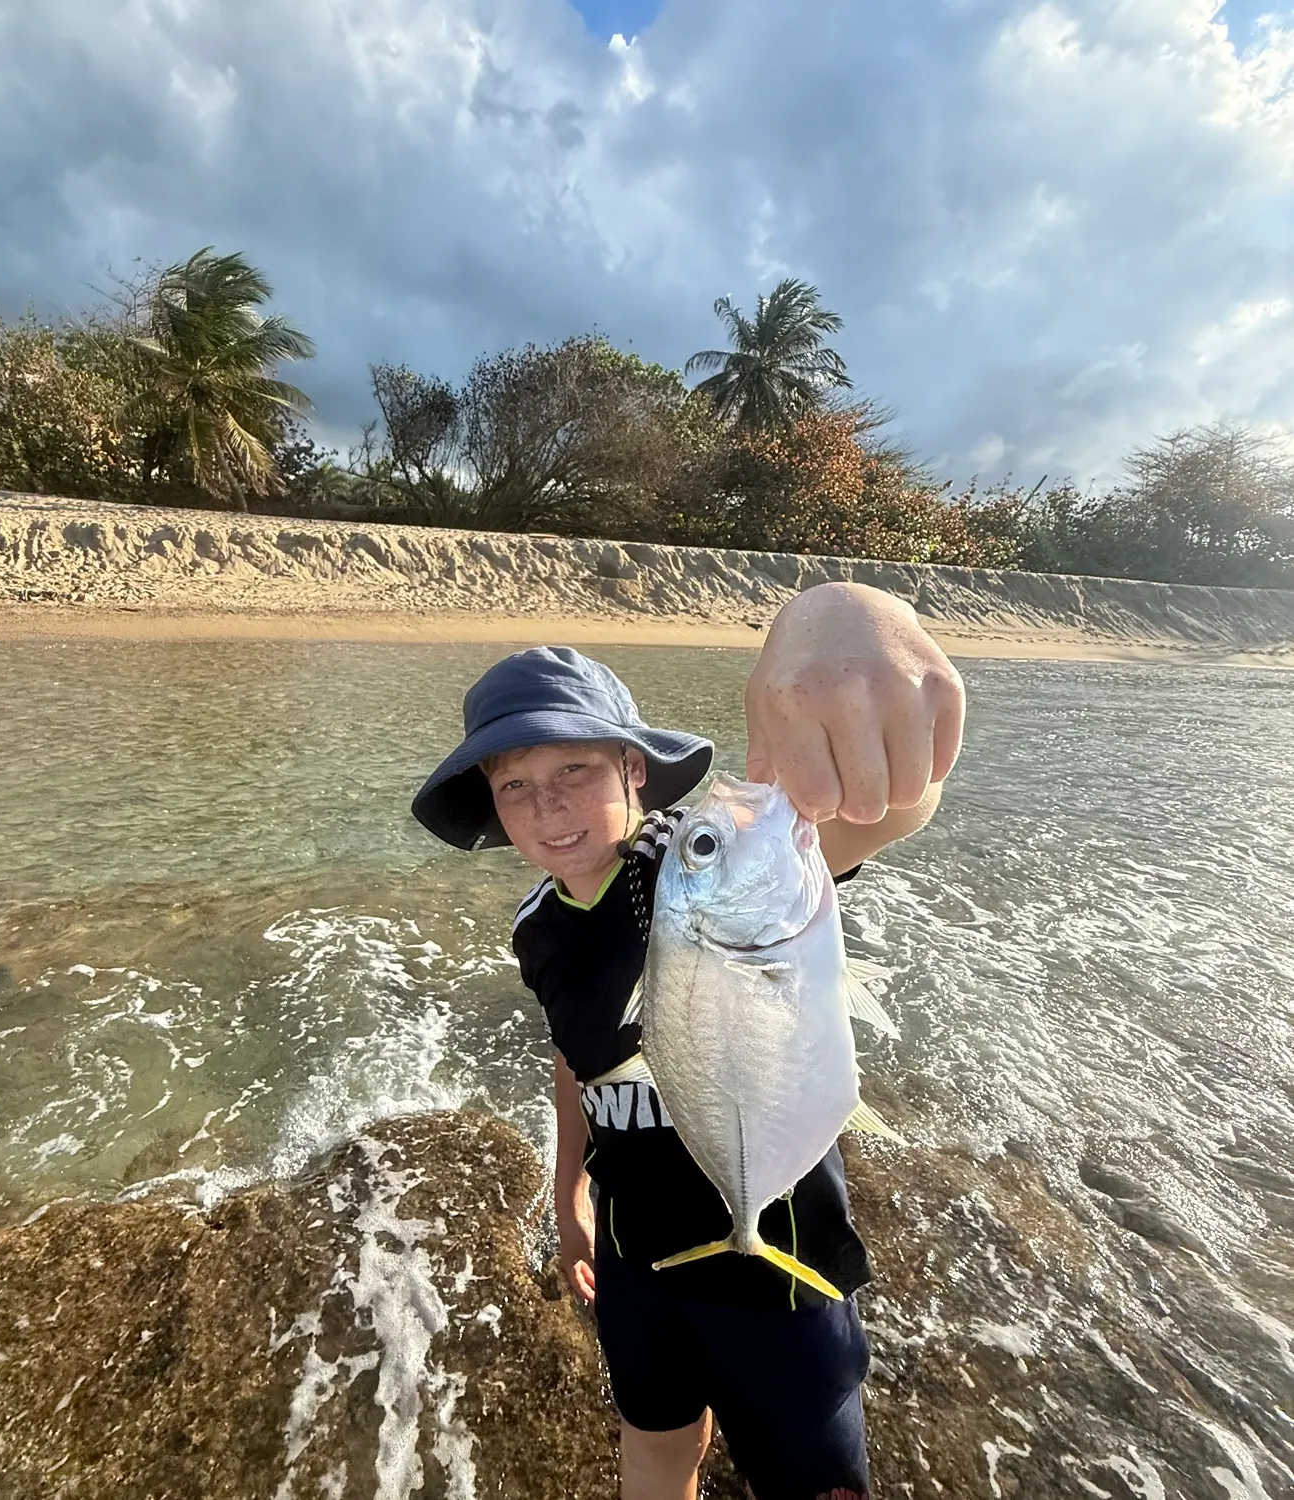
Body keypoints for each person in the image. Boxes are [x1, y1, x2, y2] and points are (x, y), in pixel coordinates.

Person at [411, 582, 965, 1500]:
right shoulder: (537, 924)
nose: (548, 807)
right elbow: (577, 1056)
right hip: (638, 1254)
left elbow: (885, 810)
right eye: (516, 787)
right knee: (657, 1448)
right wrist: (569, 1191)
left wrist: (840, 617)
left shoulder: (703, 862)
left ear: (634, 769)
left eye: (575, 770)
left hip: (783, 1258)